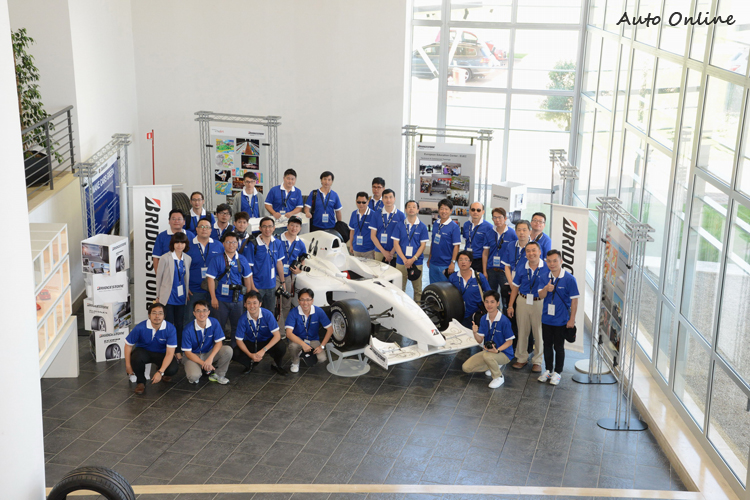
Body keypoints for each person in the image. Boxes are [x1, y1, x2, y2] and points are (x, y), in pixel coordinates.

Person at [538, 250, 579, 385]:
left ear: (561, 261)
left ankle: (558, 372)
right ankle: (548, 370)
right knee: (547, 345)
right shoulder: (543, 277)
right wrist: (546, 288)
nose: (552, 264)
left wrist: (571, 319)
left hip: (561, 320)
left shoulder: (569, 279)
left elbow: (574, 301)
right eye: (549, 261)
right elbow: (541, 296)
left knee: (558, 347)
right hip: (546, 319)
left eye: (555, 261)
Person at [205, 231, 255, 341]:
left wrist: (247, 298)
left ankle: (235, 349)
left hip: (238, 299)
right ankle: (219, 349)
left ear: (237, 244)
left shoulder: (242, 259)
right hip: (220, 299)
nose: (231, 245)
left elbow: (247, 278)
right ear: (223, 244)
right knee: (219, 327)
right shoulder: (216, 259)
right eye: (228, 242)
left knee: (237, 327)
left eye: (234, 242)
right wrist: (213, 297)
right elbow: (210, 279)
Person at [507, 241, 547, 373]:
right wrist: (510, 305)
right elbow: (515, 287)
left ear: (539, 252)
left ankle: (537, 361)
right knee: (522, 330)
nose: (531, 253)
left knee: (538, 332)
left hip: (539, 302)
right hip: (523, 301)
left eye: (534, 250)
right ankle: (521, 358)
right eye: (528, 251)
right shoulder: (521, 266)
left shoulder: (547, 267)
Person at [462, 291, 515, 389]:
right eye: (486, 302)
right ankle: (493, 365)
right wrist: (475, 333)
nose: (489, 305)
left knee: (487, 356)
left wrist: (497, 350)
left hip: (504, 353)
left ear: (498, 303)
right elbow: (479, 340)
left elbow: (510, 342)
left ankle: (498, 377)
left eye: (492, 302)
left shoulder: (504, 321)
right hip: (489, 352)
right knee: (466, 368)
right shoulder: (483, 319)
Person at [124, 303, 179, 395]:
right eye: (154, 313)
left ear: (164, 316)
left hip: (162, 353)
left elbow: (170, 353)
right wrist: (128, 366)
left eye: (160, 313)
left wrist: (160, 372)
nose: (157, 316)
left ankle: (161, 369)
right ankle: (141, 382)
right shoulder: (140, 327)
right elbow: (128, 345)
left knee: (172, 369)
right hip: (144, 352)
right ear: (149, 315)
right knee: (135, 357)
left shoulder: (170, 328)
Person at [154, 232, 191, 358]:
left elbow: (185, 278)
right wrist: (158, 296)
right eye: (177, 242)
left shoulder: (187, 258)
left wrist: (186, 292)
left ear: (185, 244)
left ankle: (178, 350)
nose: (179, 245)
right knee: (168, 325)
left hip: (181, 298)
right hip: (168, 297)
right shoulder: (165, 258)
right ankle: (168, 350)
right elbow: (159, 278)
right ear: (173, 244)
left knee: (180, 325)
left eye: (182, 242)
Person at [234, 291, 287, 375]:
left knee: (281, 347)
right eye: (249, 303)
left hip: (267, 341)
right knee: (235, 352)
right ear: (245, 305)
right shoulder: (242, 319)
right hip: (252, 342)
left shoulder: (268, 314)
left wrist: (263, 350)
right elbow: (239, 340)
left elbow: (277, 336)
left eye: (255, 303)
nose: (252, 306)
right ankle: (250, 363)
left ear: (260, 304)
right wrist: (250, 354)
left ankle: (276, 364)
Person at [181, 300, 234, 384]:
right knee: (194, 377)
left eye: (204, 310)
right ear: (194, 313)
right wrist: (204, 363)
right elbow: (188, 353)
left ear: (209, 312)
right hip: (193, 356)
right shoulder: (187, 329)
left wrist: (210, 358)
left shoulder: (214, 322)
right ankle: (199, 369)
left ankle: (219, 375)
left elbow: (219, 342)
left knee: (227, 350)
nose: (202, 314)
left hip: (207, 354)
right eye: (198, 311)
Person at [184, 217, 223, 324]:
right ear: (196, 229)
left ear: (211, 230)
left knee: (213, 320)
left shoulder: (218, 245)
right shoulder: (188, 246)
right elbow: (181, 268)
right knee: (190, 319)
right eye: (201, 226)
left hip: (214, 290)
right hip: (193, 290)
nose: (204, 229)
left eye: (207, 227)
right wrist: (185, 287)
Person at [286, 288, 333, 373]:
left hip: (313, 340)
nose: (305, 303)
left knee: (322, 358)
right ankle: (295, 361)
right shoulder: (293, 312)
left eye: (308, 300)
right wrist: (303, 344)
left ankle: (303, 354)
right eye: (302, 300)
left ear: (312, 301)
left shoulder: (318, 311)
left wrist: (322, 346)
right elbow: (288, 333)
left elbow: (330, 329)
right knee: (293, 346)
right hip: (298, 339)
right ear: (298, 301)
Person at [392, 200, 429, 301]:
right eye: (409, 207)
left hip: (416, 262)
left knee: (417, 290)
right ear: (405, 209)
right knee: (399, 289)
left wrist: (413, 259)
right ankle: (400, 308)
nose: (411, 209)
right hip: (401, 261)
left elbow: (423, 246)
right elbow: (396, 244)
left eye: (414, 207)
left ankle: (417, 308)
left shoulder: (422, 227)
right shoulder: (399, 225)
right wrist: (404, 259)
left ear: (417, 210)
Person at [250, 217, 286, 312]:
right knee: (254, 311)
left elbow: (279, 263)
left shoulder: (277, 243)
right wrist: (252, 286)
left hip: (271, 285)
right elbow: (249, 268)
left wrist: (282, 282)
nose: (267, 229)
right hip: (257, 286)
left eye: (270, 226)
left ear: (274, 228)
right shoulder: (253, 244)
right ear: (260, 228)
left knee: (270, 312)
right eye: (264, 226)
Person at [277, 216, 307, 329]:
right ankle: (278, 329)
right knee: (277, 303)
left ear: (300, 228)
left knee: (287, 303)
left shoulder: (300, 243)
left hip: (290, 276)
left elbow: (303, 258)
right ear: (287, 225)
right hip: (276, 276)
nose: (294, 228)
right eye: (292, 225)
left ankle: (285, 327)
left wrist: (299, 269)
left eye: (297, 226)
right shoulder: (278, 240)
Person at [448, 251, 491, 328]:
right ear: (457, 262)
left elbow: (489, 294)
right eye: (460, 260)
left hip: (476, 315)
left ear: (470, 263)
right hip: (458, 315)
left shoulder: (479, 277)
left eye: (466, 260)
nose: (463, 262)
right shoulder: (452, 277)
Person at [482, 207, 518, 300]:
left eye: (500, 217)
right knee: (491, 296)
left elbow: (516, 253)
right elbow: (485, 253)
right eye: (495, 217)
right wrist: (484, 271)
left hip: (505, 271)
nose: (497, 220)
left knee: (506, 297)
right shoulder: (489, 233)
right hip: (491, 270)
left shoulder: (512, 234)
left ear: (505, 218)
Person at [428, 198, 460, 284]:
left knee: (445, 288)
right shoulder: (436, 223)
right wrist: (429, 258)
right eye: (442, 208)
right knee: (433, 287)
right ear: (438, 210)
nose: (444, 211)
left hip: (446, 264)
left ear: (451, 211)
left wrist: (453, 263)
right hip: (433, 263)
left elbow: (456, 246)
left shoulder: (454, 227)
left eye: (446, 209)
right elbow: (433, 242)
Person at [369, 188, 404, 266]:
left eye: (390, 197)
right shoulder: (376, 214)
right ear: (382, 199)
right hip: (379, 251)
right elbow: (373, 236)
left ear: (394, 199)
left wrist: (391, 253)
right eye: (386, 197)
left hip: (396, 252)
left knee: (395, 273)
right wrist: (384, 252)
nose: (388, 200)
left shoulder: (401, 215)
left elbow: (402, 236)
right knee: (379, 272)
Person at [153, 209, 195, 273]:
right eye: (173, 219)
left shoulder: (191, 235)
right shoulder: (161, 236)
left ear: (184, 222)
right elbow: (156, 258)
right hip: (168, 273)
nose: (176, 221)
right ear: (169, 221)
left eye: (179, 219)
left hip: (188, 272)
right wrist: (158, 275)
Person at [462, 202, 494, 273]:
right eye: (473, 210)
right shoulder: (466, 225)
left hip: (480, 261)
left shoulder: (489, 227)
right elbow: (466, 241)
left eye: (478, 210)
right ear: (470, 211)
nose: (475, 212)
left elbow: (490, 247)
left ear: (483, 212)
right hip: (466, 259)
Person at [348, 192, 376, 259]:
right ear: (356, 202)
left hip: (369, 250)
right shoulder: (354, 214)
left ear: (368, 202)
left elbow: (376, 234)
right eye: (359, 202)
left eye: (363, 202)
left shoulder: (373, 215)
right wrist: (351, 245)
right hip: (356, 249)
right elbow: (352, 231)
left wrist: (376, 249)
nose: (361, 204)